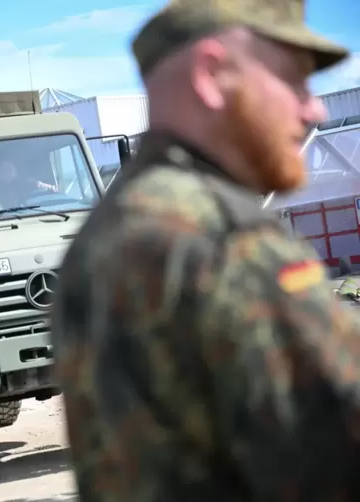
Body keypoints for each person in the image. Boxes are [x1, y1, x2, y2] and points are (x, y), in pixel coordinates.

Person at [50, 0, 360, 500]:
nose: (314, 108)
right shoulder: (226, 239)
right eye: (294, 80)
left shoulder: (107, 232)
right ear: (212, 74)